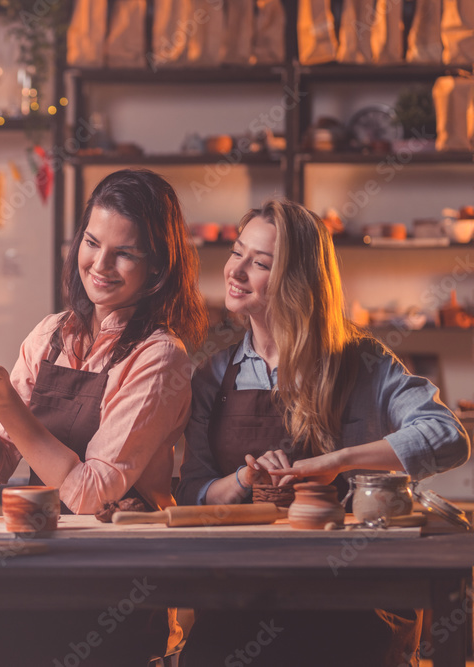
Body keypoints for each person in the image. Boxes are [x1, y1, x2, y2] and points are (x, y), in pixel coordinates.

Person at [0, 168, 209, 666]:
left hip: (115, 584)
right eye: (92, 242)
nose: (100, 265)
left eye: (124, 253)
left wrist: (8, 404)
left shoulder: (159, 357)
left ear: (157, 268)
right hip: (39, 561)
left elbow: (88, 495)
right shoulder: (49, 334)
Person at [177, 198, 470, 667]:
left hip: (353, 601)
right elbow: (192, 490)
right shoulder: (214, 373)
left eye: (260, 263)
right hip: (239, 600)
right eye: (237, 252)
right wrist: (241, 481)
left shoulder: (363, 363)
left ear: (297, 281)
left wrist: (339, 460)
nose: (235, 270)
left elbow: (448, 436)